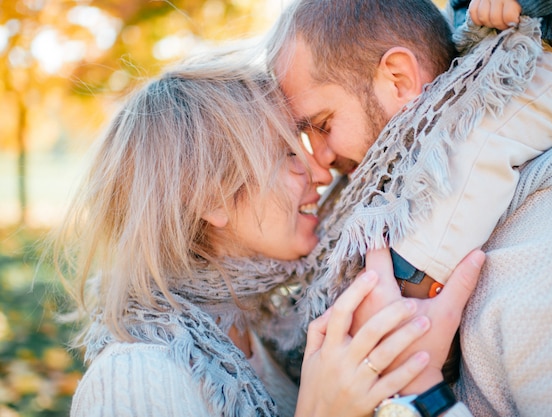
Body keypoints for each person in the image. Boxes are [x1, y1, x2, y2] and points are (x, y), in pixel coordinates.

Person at [49, 50, 471, 417]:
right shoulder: (137, 377)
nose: (320, 173)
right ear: (212, 198)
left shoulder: (265, 336)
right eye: (288, 153)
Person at [266, 0, 552, 415]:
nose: (321, 162)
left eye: (324, 124)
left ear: (399, 78)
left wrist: (417, 388)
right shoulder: (378, 220)